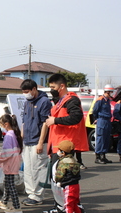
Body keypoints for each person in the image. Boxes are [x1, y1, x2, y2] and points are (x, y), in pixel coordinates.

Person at [45, 73, 88, 213]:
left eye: (53, 87)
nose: (51, 89)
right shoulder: (60, 101)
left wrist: (55, 120)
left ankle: (64, 207)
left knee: (63, 179)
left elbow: (76, 117)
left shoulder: (71, 100)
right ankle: (66, 206)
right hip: (57, 144)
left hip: (64, 145)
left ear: (61, 86)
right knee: (59, 178)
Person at [20, 79, 51, 206]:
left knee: (38, 168)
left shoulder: (44, 102)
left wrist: (40, 142)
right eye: (23, 92)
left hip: (38, 141)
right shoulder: (27, 102)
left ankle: (37, 196)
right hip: (27, 140)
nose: (25, 94)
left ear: (34, 89)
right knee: (27, 169)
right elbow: (24, 121)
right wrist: (20, 139)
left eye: (27, 91)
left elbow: (45, 123)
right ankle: (31, 193)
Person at [0, 114, 23, 213]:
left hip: (10, 163)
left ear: (6, 124)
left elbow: (7, 153)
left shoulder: (9, 136)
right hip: (14, 162)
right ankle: (4, 201)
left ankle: (17, 207)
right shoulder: (14, 133)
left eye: (1, 124)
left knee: (10, 185)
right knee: (7, 183)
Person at [54, 140, 81, 213]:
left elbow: (60, 174)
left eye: (59, 150)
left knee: (68, 204)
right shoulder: (74, 160)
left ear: (63, 152)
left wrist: (57, 180)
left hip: (68, 186)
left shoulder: (63, 162)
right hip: (76, 185)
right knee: (74, 204)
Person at [92, 84, 114, 164]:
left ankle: (103, 156)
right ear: (107, 92)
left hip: (107, 120)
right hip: (101, 120)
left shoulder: (107, 100)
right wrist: (96, 119)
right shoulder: (100, 100)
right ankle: (97, 157)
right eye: (110, 92)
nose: (111, 94)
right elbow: (95, 110)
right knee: (100, 138)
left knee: (106, 139)